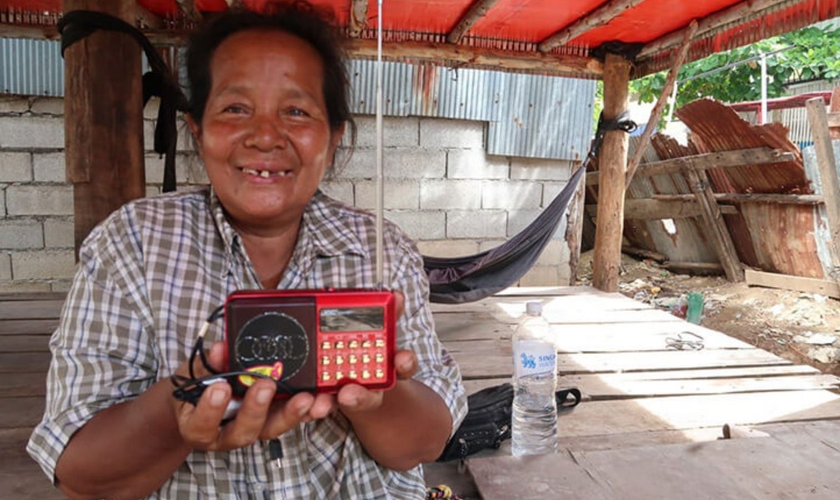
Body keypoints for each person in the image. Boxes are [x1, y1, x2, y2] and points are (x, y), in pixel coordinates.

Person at [27, 3, 467, 499]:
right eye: (235, 109)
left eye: (296, 111)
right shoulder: (131, 243)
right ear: (197, 128)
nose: (264, 136)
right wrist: (182, 401)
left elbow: (425, 444)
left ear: (334, 135)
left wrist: (373, 393)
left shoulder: (381, 251)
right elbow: (80, 476)